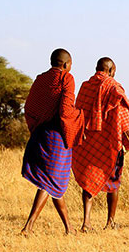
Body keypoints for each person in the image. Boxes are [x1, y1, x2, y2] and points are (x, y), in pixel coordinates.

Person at [72, 57, 129, 232]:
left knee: (89, 178)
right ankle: (110, 222)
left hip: (88, 143)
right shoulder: (114, 88)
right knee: (113, 182)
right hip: (111, 143)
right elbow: (124, 120)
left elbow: (78, 112)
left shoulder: (85, 86)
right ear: (110, 70)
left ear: (97, 68)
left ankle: (86, 223)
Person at [20, 48, 84, 235]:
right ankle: (28, 226)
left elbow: (30, 106)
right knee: (50, 181)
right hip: (57, 136)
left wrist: (36, 126)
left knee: (56, 182)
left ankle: (69, 228)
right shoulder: (66, 79)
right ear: (65, 65)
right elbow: (65, 111)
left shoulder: (41, 79)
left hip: (40, 134)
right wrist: (80, 116)